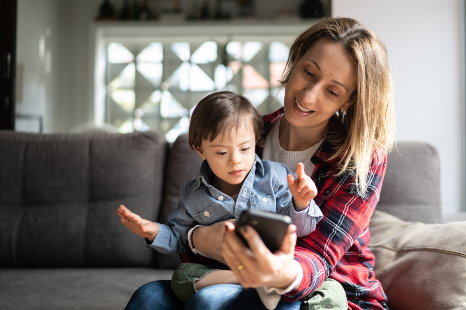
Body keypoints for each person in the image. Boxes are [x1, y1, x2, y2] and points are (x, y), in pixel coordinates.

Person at [124, 16, 396, 310]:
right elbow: (201, 233)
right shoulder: (248, 137)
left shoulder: (360, 159)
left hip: (322, 290)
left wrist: (273, 270)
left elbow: (318, 255)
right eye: (308, 72)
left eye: (332, 91)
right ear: (294, 61)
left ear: (349, 102)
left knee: (209, 302)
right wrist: (198, 238)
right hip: (235, 276)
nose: (308, 95)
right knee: (147, 298)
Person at [116, 91, 325, 309]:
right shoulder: (192, 195)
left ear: (256, 140)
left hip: (270, 267)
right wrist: (153, 232)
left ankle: (260, 281)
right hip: (218, 273)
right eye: (222, 153)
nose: (236, 161)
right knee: (167, 284)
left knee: (208, 300)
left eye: (245, 149)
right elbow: (179, 238)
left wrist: (301, 202)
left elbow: (301, 230)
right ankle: (247, 280)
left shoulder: (275, 178)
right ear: (201, 151)